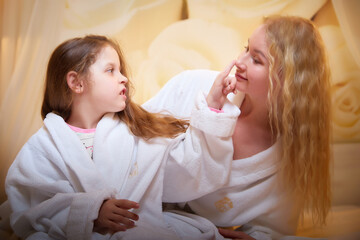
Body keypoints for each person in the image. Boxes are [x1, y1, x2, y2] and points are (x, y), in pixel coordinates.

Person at [5, 35, 241, 240]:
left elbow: (187, 171)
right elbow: (33, 204)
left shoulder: (135, 133)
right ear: (76, 82)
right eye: (110, 70)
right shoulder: (46, 145)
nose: (123, 78)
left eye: (121, 70)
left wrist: (213, 105)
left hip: (136, 230)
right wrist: (91, 212)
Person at [143, 15, 332, 240]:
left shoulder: (291, 156)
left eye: (256, 59)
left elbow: (271, 226)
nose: (239, 61)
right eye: (246, 48)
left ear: (288, 82)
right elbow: (126, 140)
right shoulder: (193, 86)